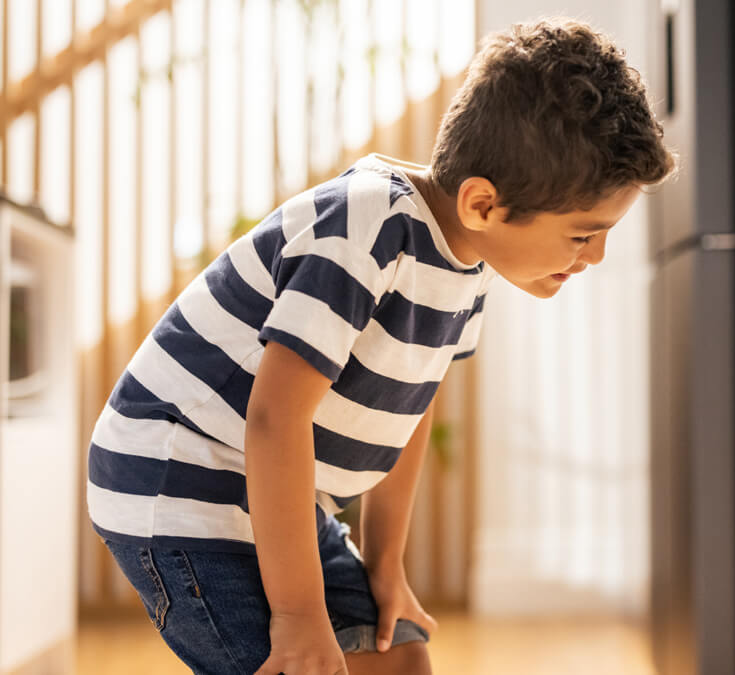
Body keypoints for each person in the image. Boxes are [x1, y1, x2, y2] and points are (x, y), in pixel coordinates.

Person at [86, 17, 675, 675]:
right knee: (300, 661)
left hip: (272, 491)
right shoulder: (365, 227)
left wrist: (385, 565)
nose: (596, 255)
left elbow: (408, 409)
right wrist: (301, 616)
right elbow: (275, 419)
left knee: (400, 656)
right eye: (581, 234)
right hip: (177, 483)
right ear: (482, 203)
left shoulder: (468, 265)